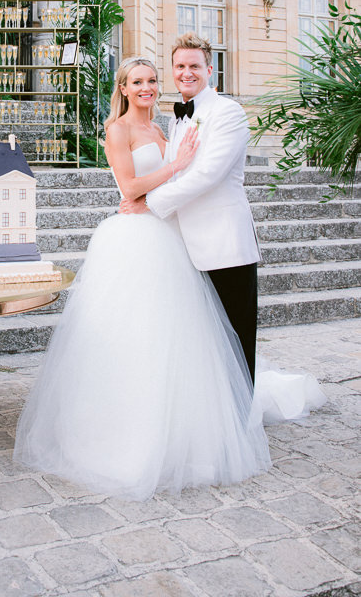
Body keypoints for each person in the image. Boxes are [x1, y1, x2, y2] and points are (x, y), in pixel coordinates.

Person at [14, 57, 273, 499]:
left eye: (153, 80)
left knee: (175, 338)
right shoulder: (119, 130)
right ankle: (129, 431)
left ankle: (185, 424)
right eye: (138, 81)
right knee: (133, 335)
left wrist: (171, 177)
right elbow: (129, 188)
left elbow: (191, 177)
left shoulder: (165, 128)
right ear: (124, 88)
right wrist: (174, 168)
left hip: (171, 236)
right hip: (135, 238)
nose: (148, 87)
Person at [127, 32, 260, 381]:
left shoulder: (228, 112)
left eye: (194, 66)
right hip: (184, 247)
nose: (187, 72)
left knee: (236, 340)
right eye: (180, 66)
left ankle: (242, 422)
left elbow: (207, 175)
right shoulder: (176, 118)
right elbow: (174, 174)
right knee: (205, 344)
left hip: (224, 245)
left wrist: (149, 204)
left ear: (210, 69)